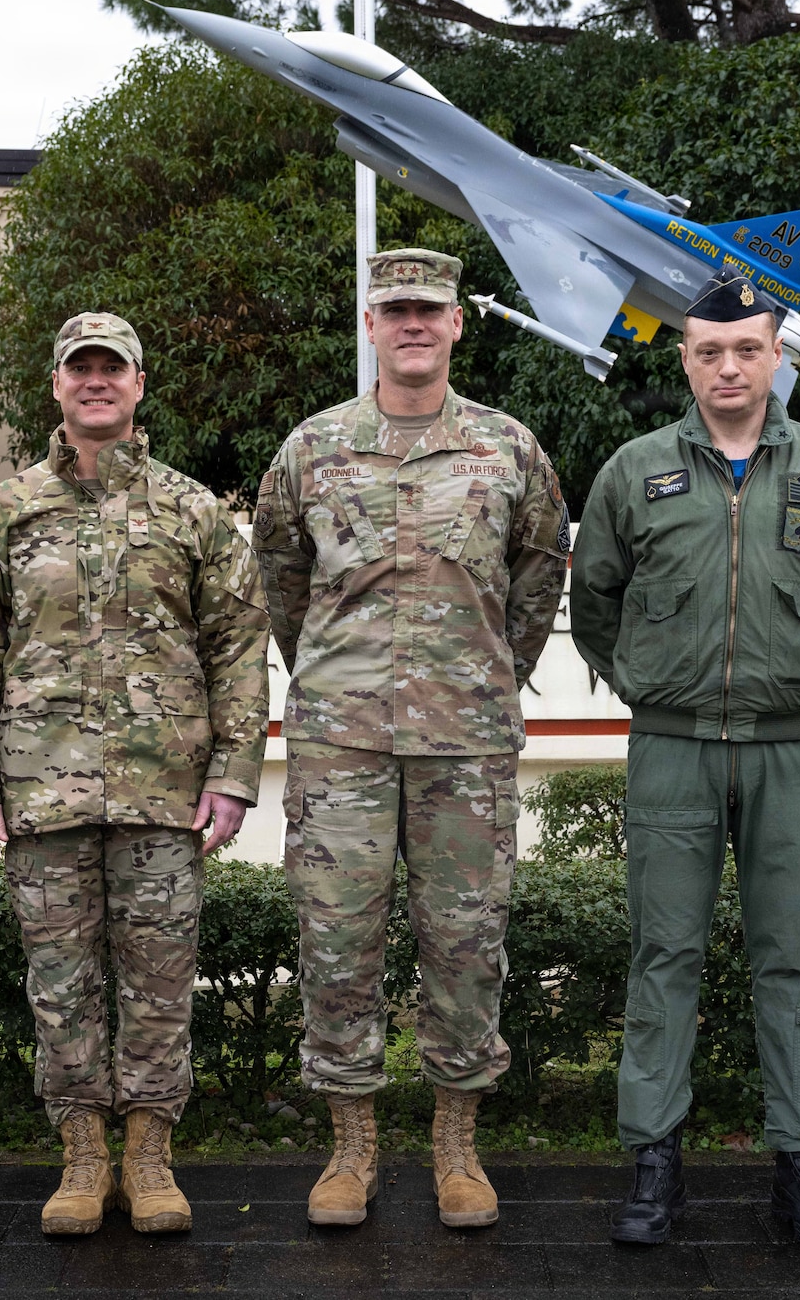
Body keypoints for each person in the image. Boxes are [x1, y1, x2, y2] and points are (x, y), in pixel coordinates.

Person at [571, 273, 800, 1247]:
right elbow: (594, 600)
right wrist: (647, 685)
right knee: (661, 956)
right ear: (684, 357)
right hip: (670, 750)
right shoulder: (632, 472)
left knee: (790, 959)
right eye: (708, 351)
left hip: (788, 752)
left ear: (773, 357)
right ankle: (652, 1167)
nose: (727, 366)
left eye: (745, 349)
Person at [0, 312, 269, 1238]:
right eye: (79, 369)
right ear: (56, 386)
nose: (95, 383)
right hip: (40, 796)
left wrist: (235, 772)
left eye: (111, 369)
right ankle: (83, 1156)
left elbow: (239, 646)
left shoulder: (194, 511)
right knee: (61, 982)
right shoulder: (5, 513)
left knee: (161, 978)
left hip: (165, 794)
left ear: (138, 384)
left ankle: (151, 1157)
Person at [254, 248, 569, 1229]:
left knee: (465, 944)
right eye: (394, 309)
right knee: (338, 942)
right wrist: (337, 673)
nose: (412, 325)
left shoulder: (507, 448)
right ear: (369, 324)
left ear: (455, 324)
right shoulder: (312, 449)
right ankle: (350, 1146)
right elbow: (281, 581)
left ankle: (453, 1143)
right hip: (339, 744)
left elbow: (537, 573)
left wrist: (488, 676)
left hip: (463, 747)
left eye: (428, 309)